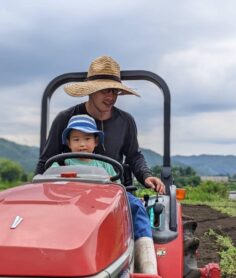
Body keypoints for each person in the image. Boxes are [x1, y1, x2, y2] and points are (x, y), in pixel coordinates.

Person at [36, 55, 165, 194]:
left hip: (112, 190)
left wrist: (146, 175)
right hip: (73, 191)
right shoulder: (66, 118)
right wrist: (38, 191)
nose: (111, 97)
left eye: (115, 91)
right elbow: (46, 161)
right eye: (105, 90)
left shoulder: (125, 121)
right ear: (91, 90)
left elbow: (133, 155)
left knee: (136, 209)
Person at [50, 114, 158, 274]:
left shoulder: (105, 165)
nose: (82, 144)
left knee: (134, 204)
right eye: (76, 139)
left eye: (87, 139)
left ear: (96, 141)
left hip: (101, 202)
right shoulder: (60, 164)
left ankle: (146, 259)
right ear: (68, 142)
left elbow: (117, 190)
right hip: (73, 202)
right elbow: (51, 185)